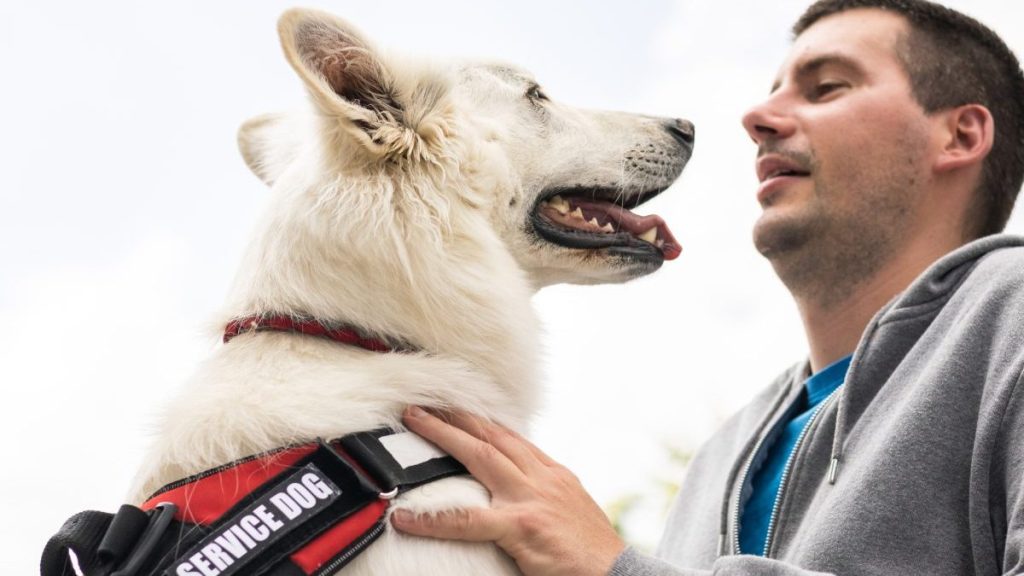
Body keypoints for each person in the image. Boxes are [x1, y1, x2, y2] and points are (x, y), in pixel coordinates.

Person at [390, 0, 1024, 574]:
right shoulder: (719, 456)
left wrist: (615, 568)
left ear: (960, 135)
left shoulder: (1010, 318)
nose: (756, 117)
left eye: (827, 87)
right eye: (771, 91)